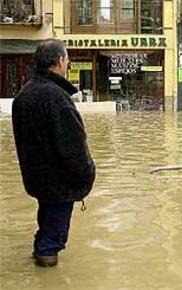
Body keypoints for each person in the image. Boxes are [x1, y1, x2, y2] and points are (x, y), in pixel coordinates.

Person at [12, 39, 96, 267]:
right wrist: (87, 173)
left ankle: (41, 250)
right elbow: (73, 146)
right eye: (67, 59)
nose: (68, 64)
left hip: (37, 178)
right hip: (59, 182)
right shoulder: (57, 98)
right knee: (53, 236)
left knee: (46, 220)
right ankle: (47, 264)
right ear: (60, 61)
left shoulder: (23, 95)